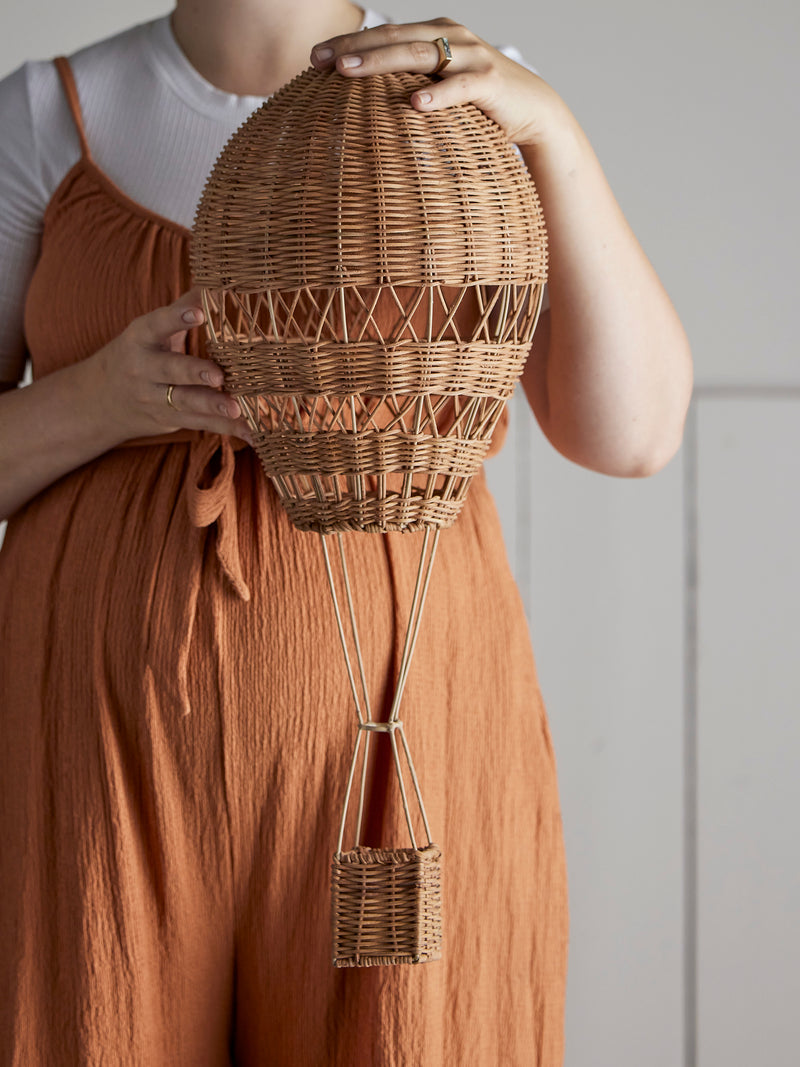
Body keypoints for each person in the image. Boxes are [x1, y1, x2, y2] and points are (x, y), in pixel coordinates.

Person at [0, 1, 693, 1064]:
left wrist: (553, 131)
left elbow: (631, 431)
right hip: (99, 750)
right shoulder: (48, 115)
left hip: (402, 734)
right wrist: (103, 398)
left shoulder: (474, 100)